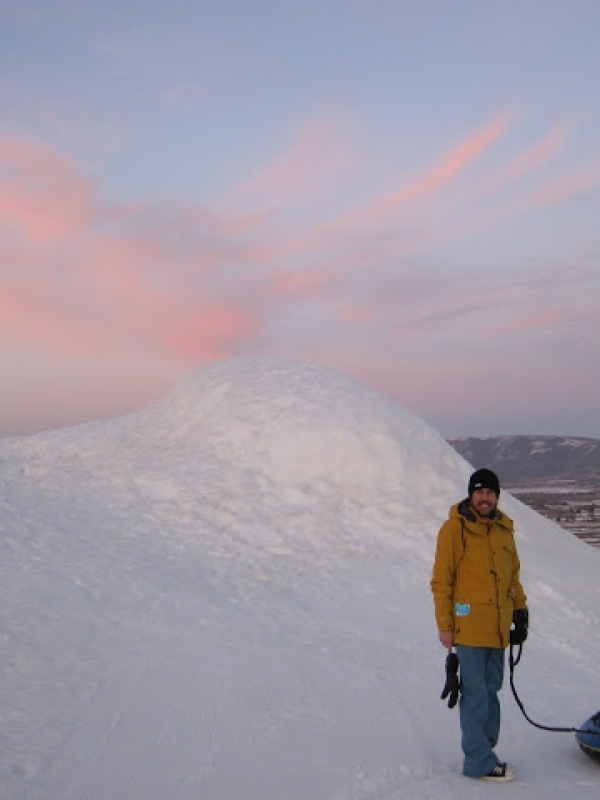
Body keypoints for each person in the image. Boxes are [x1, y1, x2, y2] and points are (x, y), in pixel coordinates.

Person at [431, 468, 528, 782]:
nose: (485, 498)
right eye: (479, 492)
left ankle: (486, 753)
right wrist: (446, 626)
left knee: (491, 691)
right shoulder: (454, 530)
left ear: (496, 496)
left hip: (498, 630)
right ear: (471, 495)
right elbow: (442, 582)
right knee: (475, 696)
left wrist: (520, 613)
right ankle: (478, 762)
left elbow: (512, 579)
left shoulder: (503, 530)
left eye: (490, 492)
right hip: (470, 630)